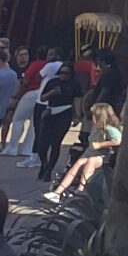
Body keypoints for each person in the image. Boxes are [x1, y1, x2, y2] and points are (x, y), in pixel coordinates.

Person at [49, 105, 120, 199]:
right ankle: (58, 192)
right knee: (78, 163)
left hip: (103, 155)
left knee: (91, 162)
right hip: (91, 153)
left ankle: (81, 190)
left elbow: (118, 140)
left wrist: (101, 144)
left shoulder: (109, 129)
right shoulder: (95, 128)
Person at [31, 58, 83, 186]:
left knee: (56, 142)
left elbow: (77, 99)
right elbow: (42, 97)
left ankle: (49, 170)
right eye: (61, 73)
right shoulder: (53, 82)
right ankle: (44, 163)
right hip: (50, 112)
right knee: (42, 143)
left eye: (66, 73)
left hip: (65, 113)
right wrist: (52, 92)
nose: (63, 76)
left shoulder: (74, 84)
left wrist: (77, 115)